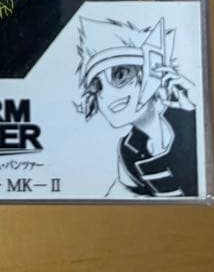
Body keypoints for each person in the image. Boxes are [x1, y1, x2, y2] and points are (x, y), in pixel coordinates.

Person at [76, 16, 198, 198]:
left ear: (152, 73)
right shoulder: (128, 150)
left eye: (120, 75)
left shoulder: (189, 121)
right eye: (97, 86)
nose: (106, 95)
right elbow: (119, 198)